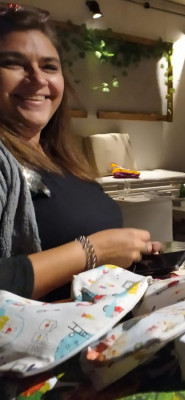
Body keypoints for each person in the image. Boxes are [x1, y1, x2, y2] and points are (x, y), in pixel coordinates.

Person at [0, 4, 158, 301]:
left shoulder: (61, 158)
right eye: (13, 63)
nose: (38, 79)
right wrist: (93, 250)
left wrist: (132, 251)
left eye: (49, 67)